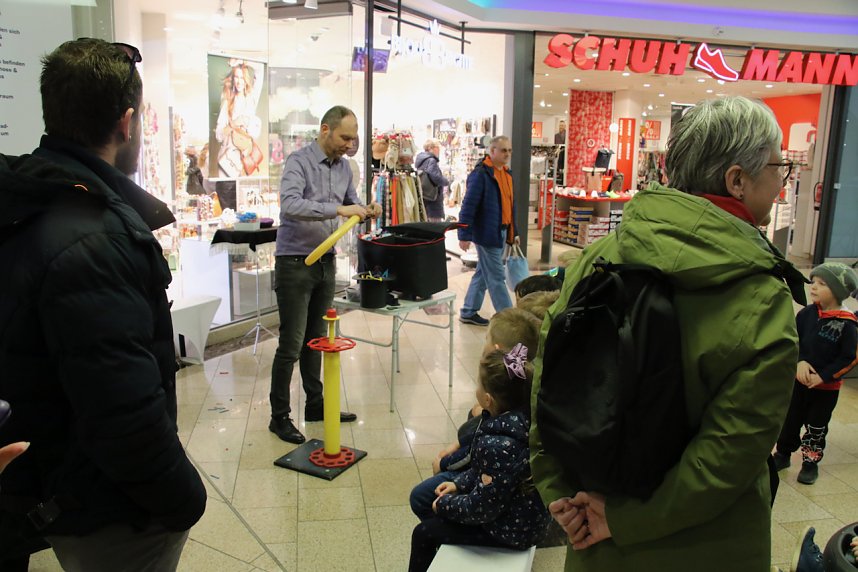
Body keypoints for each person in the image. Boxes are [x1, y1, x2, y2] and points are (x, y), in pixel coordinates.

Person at [530, 96, 808, 571]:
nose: (782, 179)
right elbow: (731, 455)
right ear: (737, 180)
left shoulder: (605, 254)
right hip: (704, 543)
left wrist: (559, 494)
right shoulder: (762, 295)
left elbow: (549, 377)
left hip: (591, 531)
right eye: (778, 165)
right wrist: (625, 519)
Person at [0, 38, 206, 571]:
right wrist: (184, 499)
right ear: (128, 122)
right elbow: (125, 415)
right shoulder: (95, 238)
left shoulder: (34, 197)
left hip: (61, 474)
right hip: (111, 508)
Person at [270, 105, 382, 444]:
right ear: (325, 130)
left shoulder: (345, 167)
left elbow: (352, 202)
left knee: (317, 339)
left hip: (326, 261)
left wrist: (366, 209)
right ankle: (279, 417)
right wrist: (338, 209)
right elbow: (290, 204)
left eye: (353, 138)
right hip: (294, 262)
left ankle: (316, 405)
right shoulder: (298, 161)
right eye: (344, 137)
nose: (349, 144)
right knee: (291, 343)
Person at [408, 344, 551, 572]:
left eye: (478, 384)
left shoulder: (498, 443)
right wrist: (457, 483)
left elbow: (483, 509)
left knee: (423, 533)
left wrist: (445, 505)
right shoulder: (516, 420)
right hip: (515, 514)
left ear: (487, 399)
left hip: (511, 532)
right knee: (423, 498)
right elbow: (486, 472)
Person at [410, 308, 542, 521]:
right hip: (492, 478)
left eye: (486, 338)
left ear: (496, 349)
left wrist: (445, 465)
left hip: (488, 492)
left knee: (421, 497)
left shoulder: (501, 422)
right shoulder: (525, 385)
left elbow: (477, 451)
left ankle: (450, 533)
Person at [773, 262, 858, 485]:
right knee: (790, 421)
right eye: (814, 282)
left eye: (822, 284)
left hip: (825, 389)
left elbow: (849, 358)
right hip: (798, 383)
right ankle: (782, 454)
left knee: (816, 427)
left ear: (838, 290)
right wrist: (799, 362)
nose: (813, 287)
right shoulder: (806, 314)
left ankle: (810, 462)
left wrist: (825, 376)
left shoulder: (847, 324)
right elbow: (794, 341)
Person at [458, 136, 519, 326]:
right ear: (492, 151)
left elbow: (510, 206)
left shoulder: (507, 175)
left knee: (483, 274)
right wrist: (464, 234)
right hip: (487, 233)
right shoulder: (481, 175)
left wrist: (513, 232)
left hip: (501, 231)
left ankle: (468, 311)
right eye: (503, 150)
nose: (507, 154)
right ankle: (510, 321)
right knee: (496, 277)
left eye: (509, 150)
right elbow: (468, 206)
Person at [215, 58, 264, 177]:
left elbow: (260, 70)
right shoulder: (227, 103)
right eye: (236, 77)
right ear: (232, 79)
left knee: (245, 193)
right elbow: (219, 135)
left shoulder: (251, 100)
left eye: (242, 78)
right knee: (227, 194)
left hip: (245, 159)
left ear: (246, 80)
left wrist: (242, 62)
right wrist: (234, 123)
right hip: (228, 161)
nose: (239, 81)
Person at [415, 139, 450, 222]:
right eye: (437, 147)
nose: (439, 150)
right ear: (431, 148)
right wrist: (446, 181)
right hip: (433, 199)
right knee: (435, 226)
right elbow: (435, 176)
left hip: (426, 195)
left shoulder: (422, 160)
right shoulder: (431, 160)